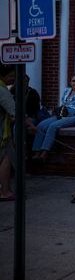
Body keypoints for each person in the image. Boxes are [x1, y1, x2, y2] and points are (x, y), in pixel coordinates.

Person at [32, 73, 75, 162]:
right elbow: (63, 104)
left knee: (53, 126)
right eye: (73, 81)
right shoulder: (67, 90)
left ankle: (44, 152)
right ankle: (36, 152)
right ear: (70, 82)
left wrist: (73, 112)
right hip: (63, 113)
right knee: (41, 125)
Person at [0, 65, 17, 201]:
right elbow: (15, 111)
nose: (13, 79)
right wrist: (28, 122)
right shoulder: (2, 90)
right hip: (2, 133)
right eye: (11, 76)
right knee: (6, 159)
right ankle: (5, 192)